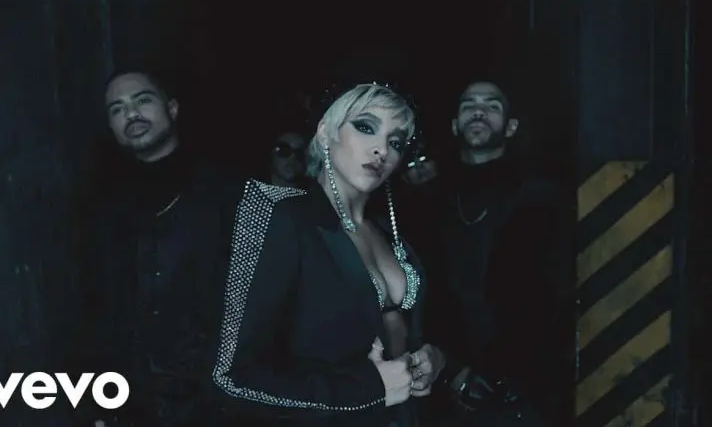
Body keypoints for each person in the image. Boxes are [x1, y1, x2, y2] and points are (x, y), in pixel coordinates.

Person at [211, 83, 445, 427]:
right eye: (365, 127)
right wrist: (366, 389)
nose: (381, 149)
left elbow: (410, 334)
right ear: (325, 133)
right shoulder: (281, 217)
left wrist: (433, 360)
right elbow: (232, 377)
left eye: (395, 142)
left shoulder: (392, 233)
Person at [75, 69, 244, 426]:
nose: (131, 114)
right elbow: (98, 310)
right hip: (138, 404)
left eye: (142, 100)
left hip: (219, 403)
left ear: (172, 109)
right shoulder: (104, 208)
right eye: (117, 109)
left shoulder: (226, 192)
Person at [421, 80, 569, 426]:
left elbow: (549, 297)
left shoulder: (539, 198)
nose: (478, 111)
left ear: (511, 127)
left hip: (518, 388)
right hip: (443, 383)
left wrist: (500, 371)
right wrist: (452, 369)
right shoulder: (429, 202)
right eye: (468, 105)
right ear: (455, 124)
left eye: (492, 105)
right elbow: (423, 290)